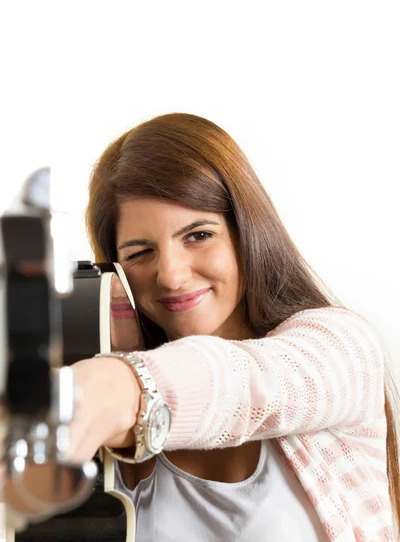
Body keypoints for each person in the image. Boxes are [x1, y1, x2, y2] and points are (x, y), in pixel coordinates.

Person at [68, 113, 399, 541]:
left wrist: (120, 387)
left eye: (198, 235)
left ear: (246, 233)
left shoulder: (340, 348)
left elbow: (246, 382)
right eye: (140, 252)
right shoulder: (100, 438)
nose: (170, 274)